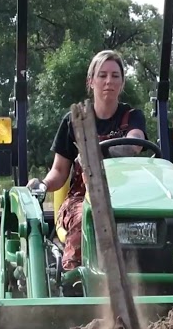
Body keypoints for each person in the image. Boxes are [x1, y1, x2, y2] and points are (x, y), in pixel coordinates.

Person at [28, 49, 148, 271]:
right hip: (83, 198)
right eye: (102, 75)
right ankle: (76, 277)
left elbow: (135, 142)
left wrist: (97, 153)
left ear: (122, 82)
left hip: (125, 197)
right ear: (91, 81)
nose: (109, 81)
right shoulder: (73, 121)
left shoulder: (132, 117)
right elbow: (59, 171)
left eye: (115, 75)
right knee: (89, 218)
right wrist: (42, 185)